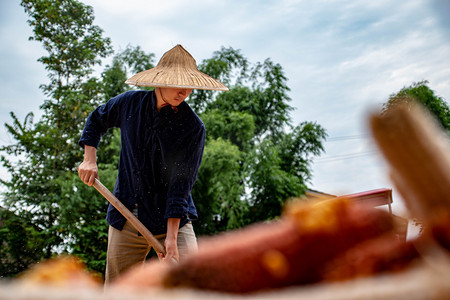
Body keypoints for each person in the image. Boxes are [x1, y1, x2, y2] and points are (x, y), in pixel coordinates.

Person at [77, 44, 228, 284]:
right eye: (179, 85)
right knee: (117, 290)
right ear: (160, 80)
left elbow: (180, 185)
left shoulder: (192, 128)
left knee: (194, 283)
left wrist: (171, 238)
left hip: (172, 220)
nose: (185, 92)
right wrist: (89, 159)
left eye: (189, 86)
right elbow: (97, 119)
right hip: (126, 213)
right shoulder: (129, 104)